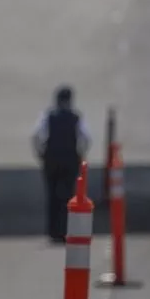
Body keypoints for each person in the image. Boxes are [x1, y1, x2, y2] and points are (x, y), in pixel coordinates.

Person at [31, 84, 92, 243]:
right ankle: (65, 230)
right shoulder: (76, 117)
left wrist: (40, 153)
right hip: (70, 159)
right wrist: (81, 153)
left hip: (51, 159)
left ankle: (52, 232)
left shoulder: (47, 116)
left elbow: (36, 135)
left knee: (51, 196)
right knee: (67, 195)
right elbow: (86, 138)